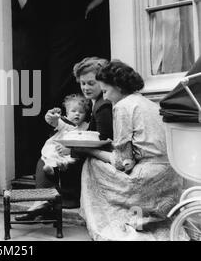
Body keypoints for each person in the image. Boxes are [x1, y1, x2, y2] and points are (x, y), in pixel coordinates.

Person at [78, 60, 183, 240]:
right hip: (172, 176)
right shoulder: (147, 102)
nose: (106, 97)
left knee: (92, 165)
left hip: (148, 179)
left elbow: (121, 163)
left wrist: (89, 151)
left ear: (118, 87)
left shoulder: (122, 106)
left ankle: (108, 219)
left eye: (105, 91)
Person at [10, 0, 106, 109]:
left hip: (85, 40)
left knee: (89, 86)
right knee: (58, 91)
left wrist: (90, 7)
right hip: (60, 45)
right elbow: (31, 16)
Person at [16, 57, 112, 221]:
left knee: (47, 161)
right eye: (83, 83)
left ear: (102, 81)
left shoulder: (103, 106)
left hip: (97, 158)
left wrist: (72, 149)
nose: (86, 88)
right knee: (47, 158)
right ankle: (44, 201)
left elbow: (104, 140)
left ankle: (47, 201)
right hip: (86, 154)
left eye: (91, 83)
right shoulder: (97, 103)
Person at [41, 94, 91, 175]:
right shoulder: (63, 122)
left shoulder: (84, 126)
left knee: (72, 159)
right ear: (67, 113)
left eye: (81, 112)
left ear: (85, 114)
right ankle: (50, 167)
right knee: (52, 154)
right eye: (73, 111)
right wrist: (53, 116)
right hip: (56, 147)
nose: (77, 114)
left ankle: (63, 166)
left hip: (70, 151)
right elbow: (52, 121)